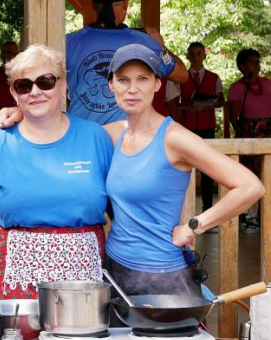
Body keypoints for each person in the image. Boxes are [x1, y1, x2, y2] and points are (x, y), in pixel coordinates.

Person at [0, 45, 113, 301]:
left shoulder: (95, 138)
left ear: (63, 85)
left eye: (45, 82)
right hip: (10, 292)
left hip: (83, 292)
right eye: (24, 85)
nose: (35, 91)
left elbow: (122, 212)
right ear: (14, 93)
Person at [101, 44, 264, 296]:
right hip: (114, 268)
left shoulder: (174, 137)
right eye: (123, 80)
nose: (132, 89)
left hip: (161, 275)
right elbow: (63, 132)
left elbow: (251, 186)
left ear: (157, 84)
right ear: (111, 85)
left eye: (142, 79)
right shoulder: (113, 134)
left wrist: (194, 226)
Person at [66, 0, 188, 124]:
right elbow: (182, 75)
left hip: (80, 132)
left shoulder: (69, 42)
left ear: (93, 6)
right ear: (125, 6)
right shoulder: (145, 41)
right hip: (127, 134)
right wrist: (161, 46)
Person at [174, 42, 225, 211]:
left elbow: (221, 101)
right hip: (186, 127)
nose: (196, 57)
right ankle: (182, 208)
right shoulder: (181, 78)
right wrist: (186, 105)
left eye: (199, 53)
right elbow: (174, 102)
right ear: (187, 56)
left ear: (204, 55)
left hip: (207, 126)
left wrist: (209, 103)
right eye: (193, 54)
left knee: (208, 169)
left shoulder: (214, 77)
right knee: (183, 167)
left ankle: (207, 207)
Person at [228, 48, 271, 190]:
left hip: (267, 131)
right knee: (249, 174)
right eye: (251, 62)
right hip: (247, 132)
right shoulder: (236, 87)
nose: (256, 65)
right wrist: (244, 132)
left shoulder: (267, 83)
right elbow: (233, 117)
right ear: (242, 66)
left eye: (257, 62)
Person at [0, 41, 20, 129]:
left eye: (15, 54)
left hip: (19, 125)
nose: (12, 56)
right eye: (8, 53)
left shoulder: (22, 76)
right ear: (2, 54)